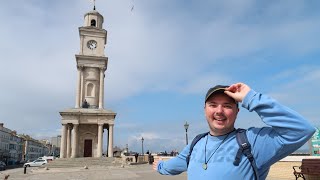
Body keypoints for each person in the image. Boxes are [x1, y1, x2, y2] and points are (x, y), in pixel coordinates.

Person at [153, 82, 315, 180]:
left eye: (228, 106)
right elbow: (174, 165)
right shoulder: (196, 143)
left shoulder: (253, 141)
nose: (219, 111)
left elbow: (302, 130)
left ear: (237, 111)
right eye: (213, 105)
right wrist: (160, 166)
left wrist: (250, 98)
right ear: (204, 110)